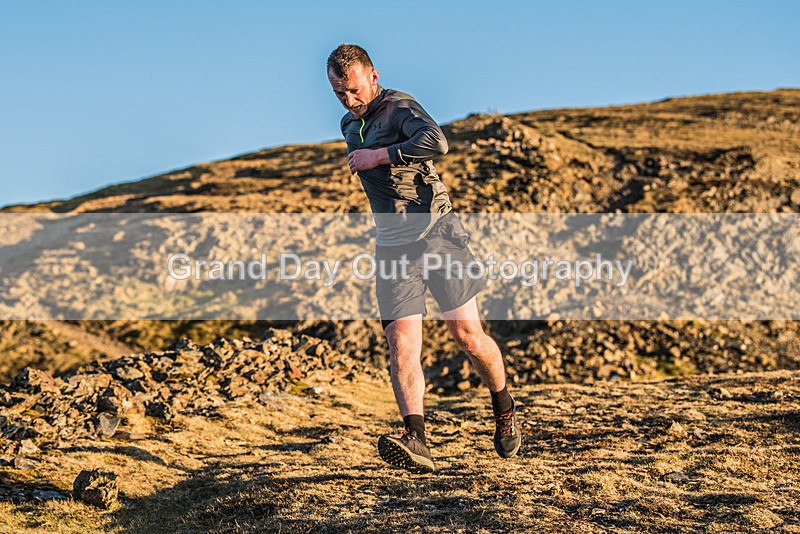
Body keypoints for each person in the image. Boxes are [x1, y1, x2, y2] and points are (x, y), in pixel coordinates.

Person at [326, 44, 521, 473]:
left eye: (355, 90)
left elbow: (438, 141)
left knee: (467, 335)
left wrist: (379, 155)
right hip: (392, 247)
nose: (349, 100)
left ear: (373, 77)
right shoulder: (347, 124)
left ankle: (504, 405)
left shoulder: (399, 107)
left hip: (437, 234)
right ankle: (416, 439)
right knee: (400, 344)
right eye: (340, 93)